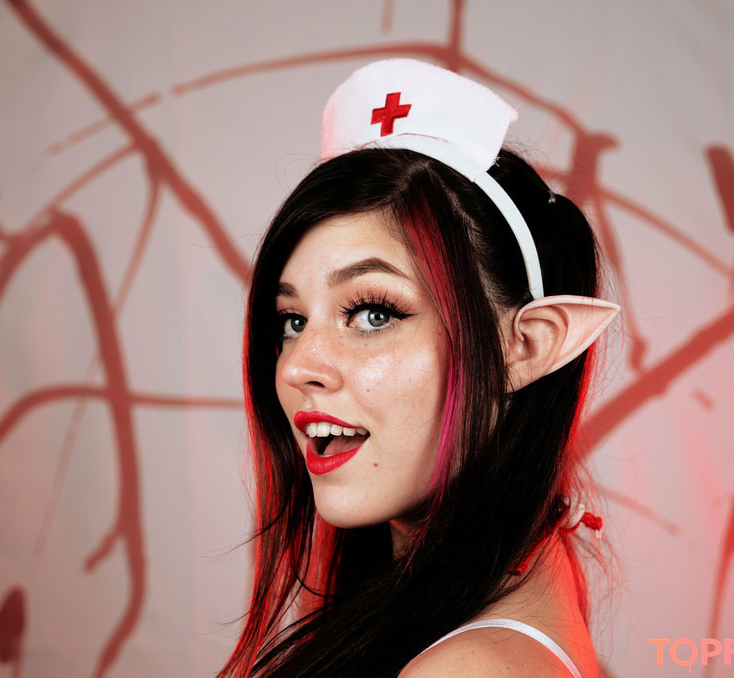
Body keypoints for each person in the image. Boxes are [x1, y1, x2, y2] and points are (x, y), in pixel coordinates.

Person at [219, 59, 620, 677]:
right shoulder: (528, 570)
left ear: (527, 345)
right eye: (292, 320)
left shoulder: (467, 670)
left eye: (373, 313)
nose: (298, 367)